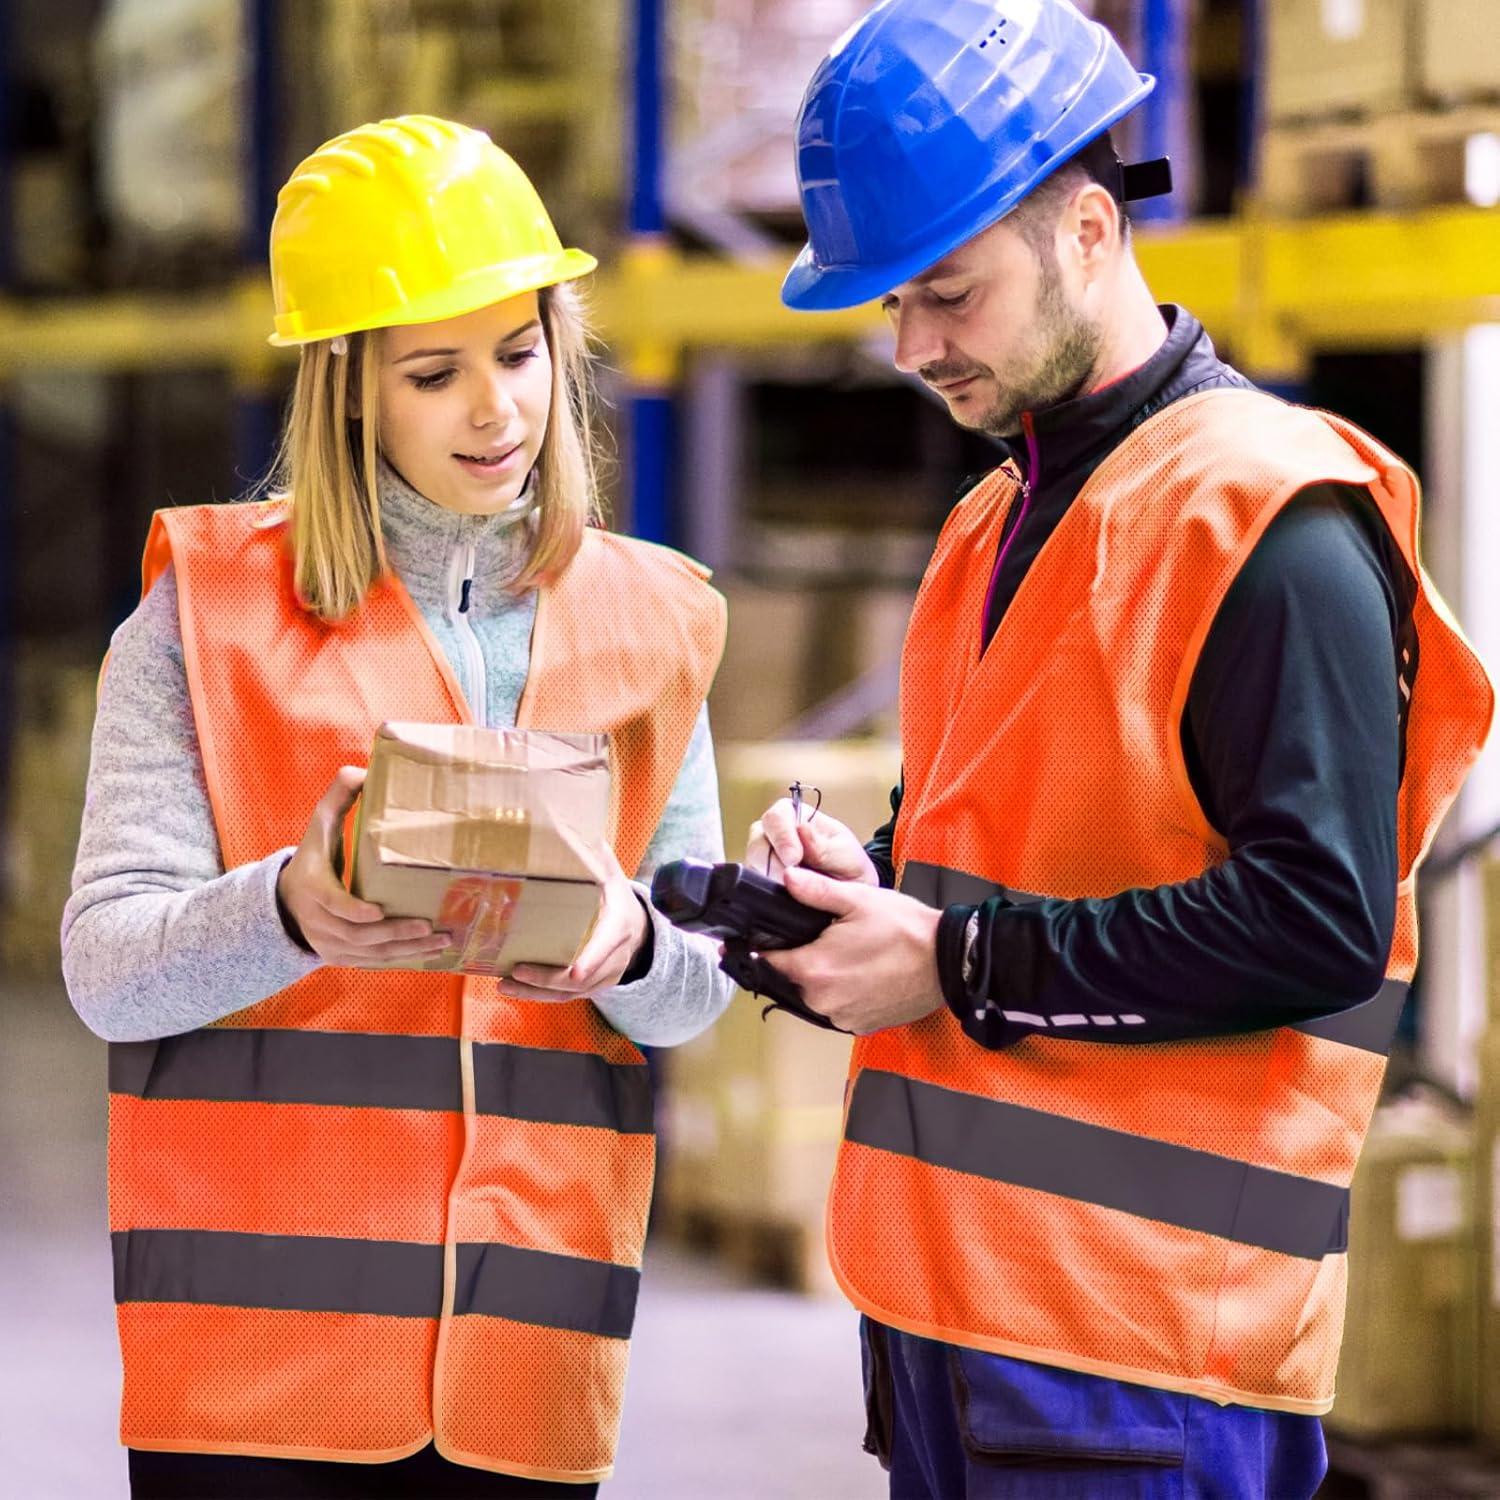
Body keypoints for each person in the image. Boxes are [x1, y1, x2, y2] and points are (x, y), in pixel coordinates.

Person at [747, 3, 1495, 1496]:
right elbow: (1002, 848)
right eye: (895, 304)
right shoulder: (991, 524)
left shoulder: (1267, 520)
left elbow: (1318, 923)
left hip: (1146, 1357)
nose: (911, 348)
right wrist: (863, 885)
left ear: (1089, 230)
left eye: (948, 295)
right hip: (957, 1323)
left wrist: (950, 963)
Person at [62, 114, 732, 1498]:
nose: (498, 409)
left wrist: (635, 949)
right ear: (349, 386)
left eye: (520, 351)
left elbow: (697, 989)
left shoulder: (652, 621)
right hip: (256, 1374)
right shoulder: (203, 616)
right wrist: (289, 912)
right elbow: (107, 971)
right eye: (436, 372)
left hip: (526, 1350)